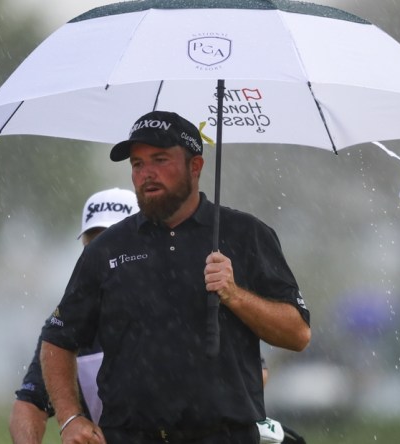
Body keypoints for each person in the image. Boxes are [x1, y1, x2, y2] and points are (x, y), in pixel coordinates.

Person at [40, 111, 311, 444]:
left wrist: (234, 294)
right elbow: (57, 340)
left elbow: (297, 334)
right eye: (137, 164)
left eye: (160, 159)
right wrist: (70, 418)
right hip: (129, 437)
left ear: (195, 167)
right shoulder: (106, 248)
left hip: (225, 437)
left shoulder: (246, 235)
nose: (146, 173)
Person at [9, 188, 139, 444]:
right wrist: (70, 422)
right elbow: (28, 406)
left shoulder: (176, 313)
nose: (104, 257)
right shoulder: (67, 324)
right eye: (94, 247)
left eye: (115, 245)